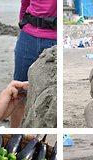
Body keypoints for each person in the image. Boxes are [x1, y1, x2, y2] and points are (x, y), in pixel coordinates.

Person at [11, 0, 57, 128]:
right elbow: (24, 4)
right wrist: (19, 36)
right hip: (27, 37)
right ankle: (12, 133)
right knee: (18, 92)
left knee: (53, 96)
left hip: (55, 39)